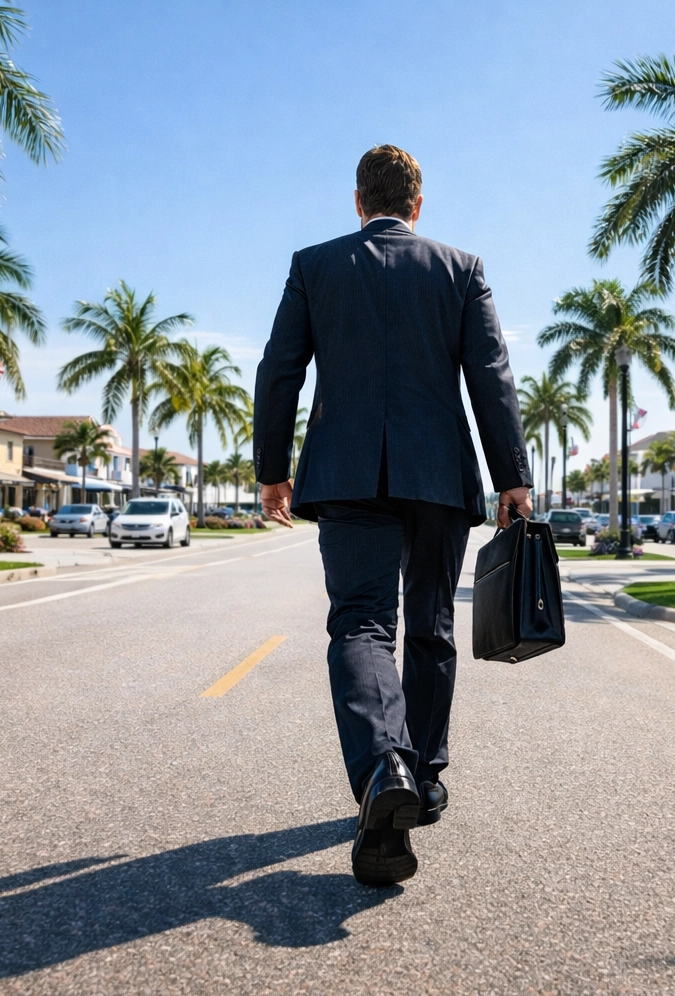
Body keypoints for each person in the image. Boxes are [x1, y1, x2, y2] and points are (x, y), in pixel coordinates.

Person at [254, 145, 533, 886]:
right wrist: (514, 477)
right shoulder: (460, 268)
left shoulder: (314, 266)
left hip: (346, 475)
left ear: (358, 202)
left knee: (361, 623)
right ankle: (426, 776)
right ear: (417, 205)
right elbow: (491, 374)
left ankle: (384, 770)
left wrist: (271, 472)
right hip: (437, 475)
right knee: (432, 624)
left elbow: (278, 368)